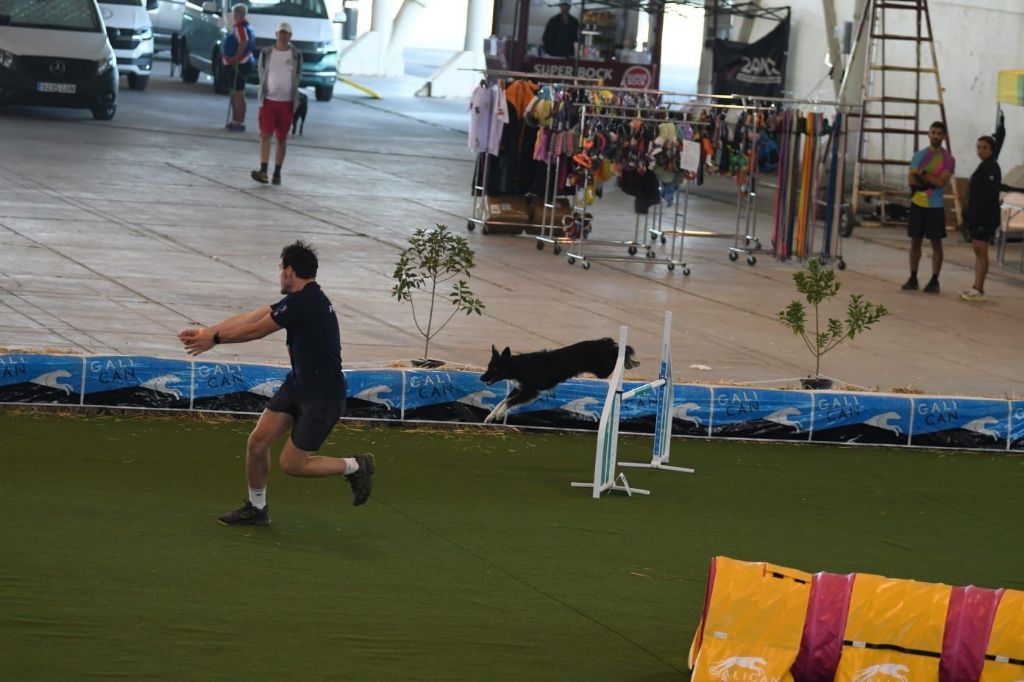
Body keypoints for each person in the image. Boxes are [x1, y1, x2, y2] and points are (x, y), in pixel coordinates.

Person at [177, 241, 374, 526]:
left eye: (281, 269)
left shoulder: (305, 302)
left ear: (290, 271)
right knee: (257, 443)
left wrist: (215, 340)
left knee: (292, 465)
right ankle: (257, 508)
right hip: (299, 385)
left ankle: (356, 466)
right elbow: (252, 316)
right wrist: (206, 331)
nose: (280, 275)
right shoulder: (301, 298)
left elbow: (256, 330)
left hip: (323, 397)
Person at [903, 121, 955, 293]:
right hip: (918, 203)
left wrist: (924, 174)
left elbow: (941, 182)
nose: (936, 136)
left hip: (935, 206)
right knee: (915, 242)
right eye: (933, 132)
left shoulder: (948, 159)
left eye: (939, 133)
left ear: (944, 136)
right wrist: (930, 180)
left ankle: (934, 280)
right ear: (929, 134)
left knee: (936, 244)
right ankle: (913, 277)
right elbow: (911, 180)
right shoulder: (919, 155)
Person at [251, 23, 303, 185]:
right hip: (269, 100)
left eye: (286, 33)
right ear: (276, 34)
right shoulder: (267, 53)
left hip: (287, 102)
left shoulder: (295, 55)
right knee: (265, 134)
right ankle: (263, 170)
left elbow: (298, 74)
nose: (283, 35)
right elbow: (262, 72)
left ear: (290, 36)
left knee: (281, 138)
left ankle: (277, 173)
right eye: (281, 32)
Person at [960, 135, 1002, 302]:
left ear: (992, 150)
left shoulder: (992, 167)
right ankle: (975, 286)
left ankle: (980, 288)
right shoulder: (983, 166)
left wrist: (979, 216)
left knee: (981, 250)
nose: (981, 150)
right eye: (979, 147)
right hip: (976, 217)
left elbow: (989, 196)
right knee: (977, 250)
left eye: (985, 147)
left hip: (985, 218)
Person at [222, 4, 256, 132]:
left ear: (237, 14)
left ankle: (239, 121)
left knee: (238, 94)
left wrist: (236, 57)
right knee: (235, 93)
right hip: (241, 63)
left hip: (239, 65)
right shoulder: (246, 27)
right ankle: (235, 120)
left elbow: (243, 42)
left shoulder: (240, 28)